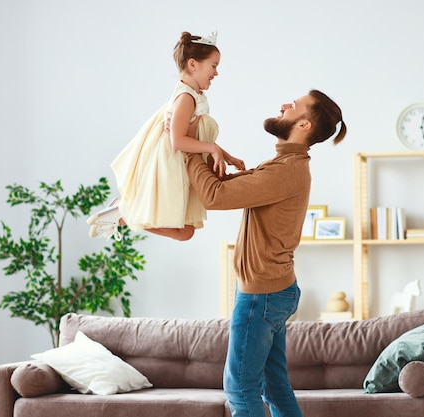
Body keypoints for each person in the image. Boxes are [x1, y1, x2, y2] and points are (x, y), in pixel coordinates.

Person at [184, 89, 346, 417]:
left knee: (240, 388)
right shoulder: (286, 165)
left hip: (262, 294)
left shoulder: (285, 171)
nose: (284, 105)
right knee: (273, 386)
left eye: (294, 106)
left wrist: (187, 150)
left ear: (302, 125)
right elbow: (226, 187)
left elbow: (214, 196)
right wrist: (211, 152)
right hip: (276, 289)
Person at [87, 31, 244, 241]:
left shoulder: (194, 96)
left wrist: (227, 155)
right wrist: (213, 149)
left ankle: (122, 214)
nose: (216, 73)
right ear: (193, 64)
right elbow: (178, 141)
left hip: (183, 162)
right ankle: (124, 212)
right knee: (184, 232)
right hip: (172, 165)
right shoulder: (186, 97)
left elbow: (197, 137)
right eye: (214, 66)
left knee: (186, 232)